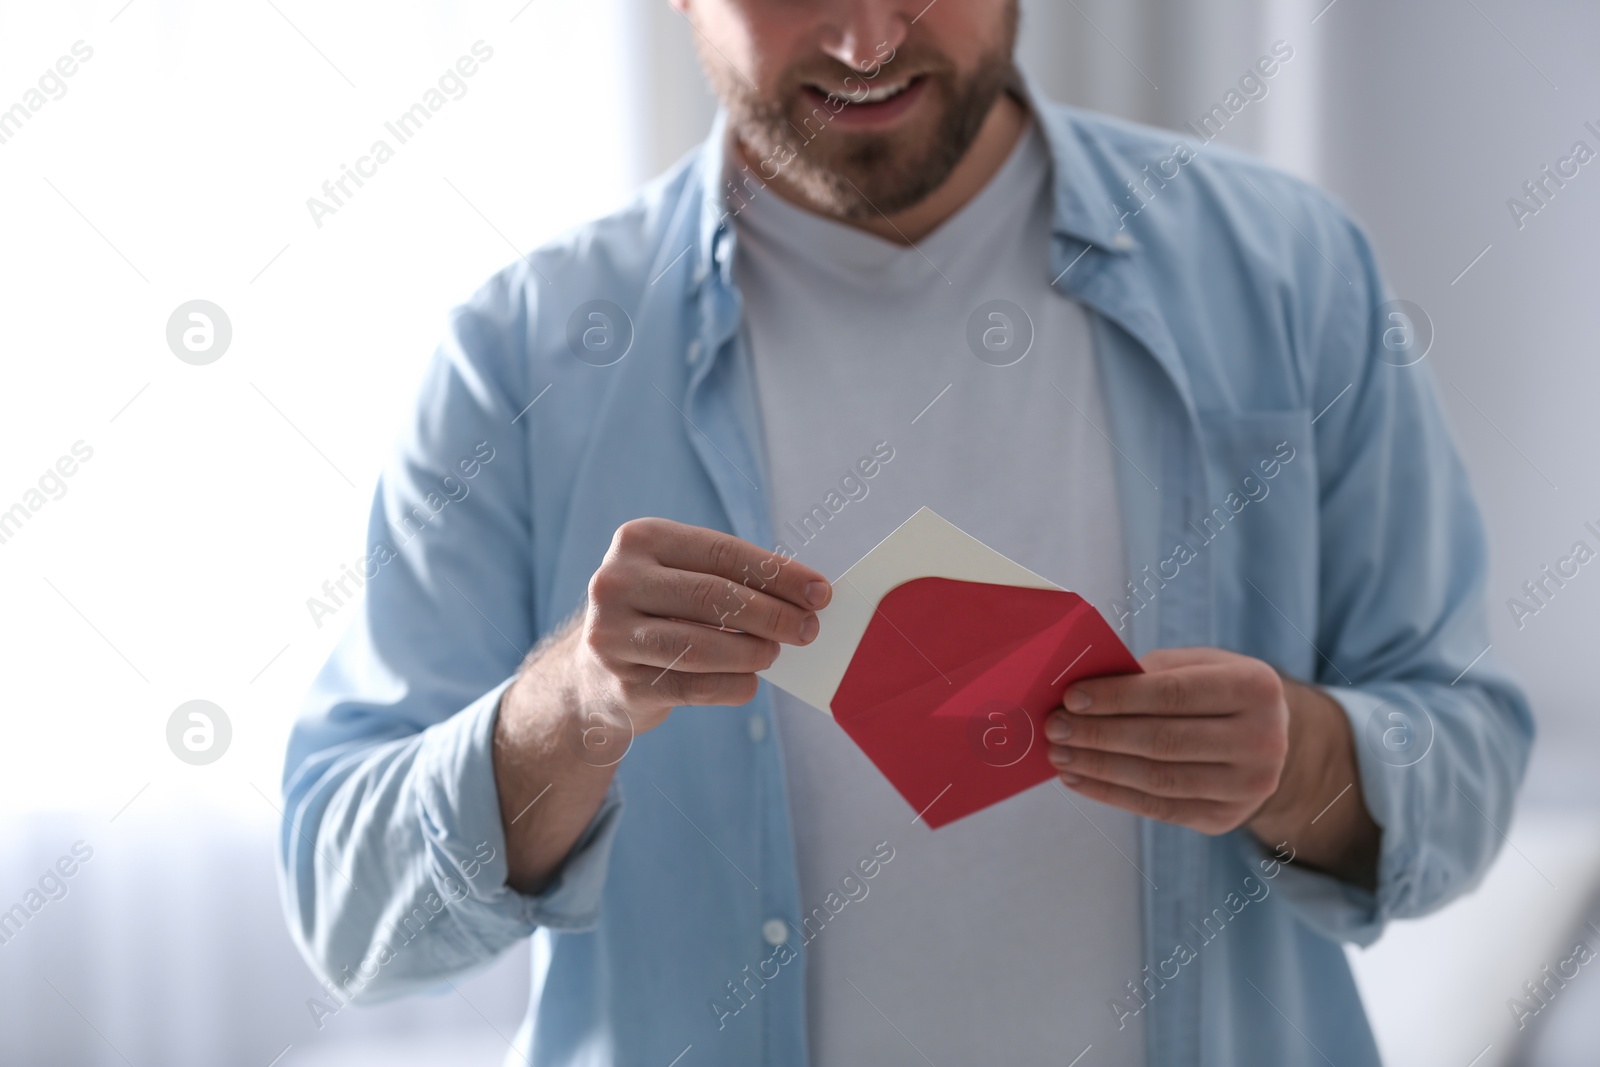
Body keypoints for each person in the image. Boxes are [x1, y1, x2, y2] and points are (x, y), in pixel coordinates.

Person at [276, 1, 1532, 1064]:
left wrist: (1306, 760)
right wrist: (569, 710)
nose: (869, 39)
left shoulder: (1290, 274)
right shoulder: (519, 355)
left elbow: (1470, 761)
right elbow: (351, 917)